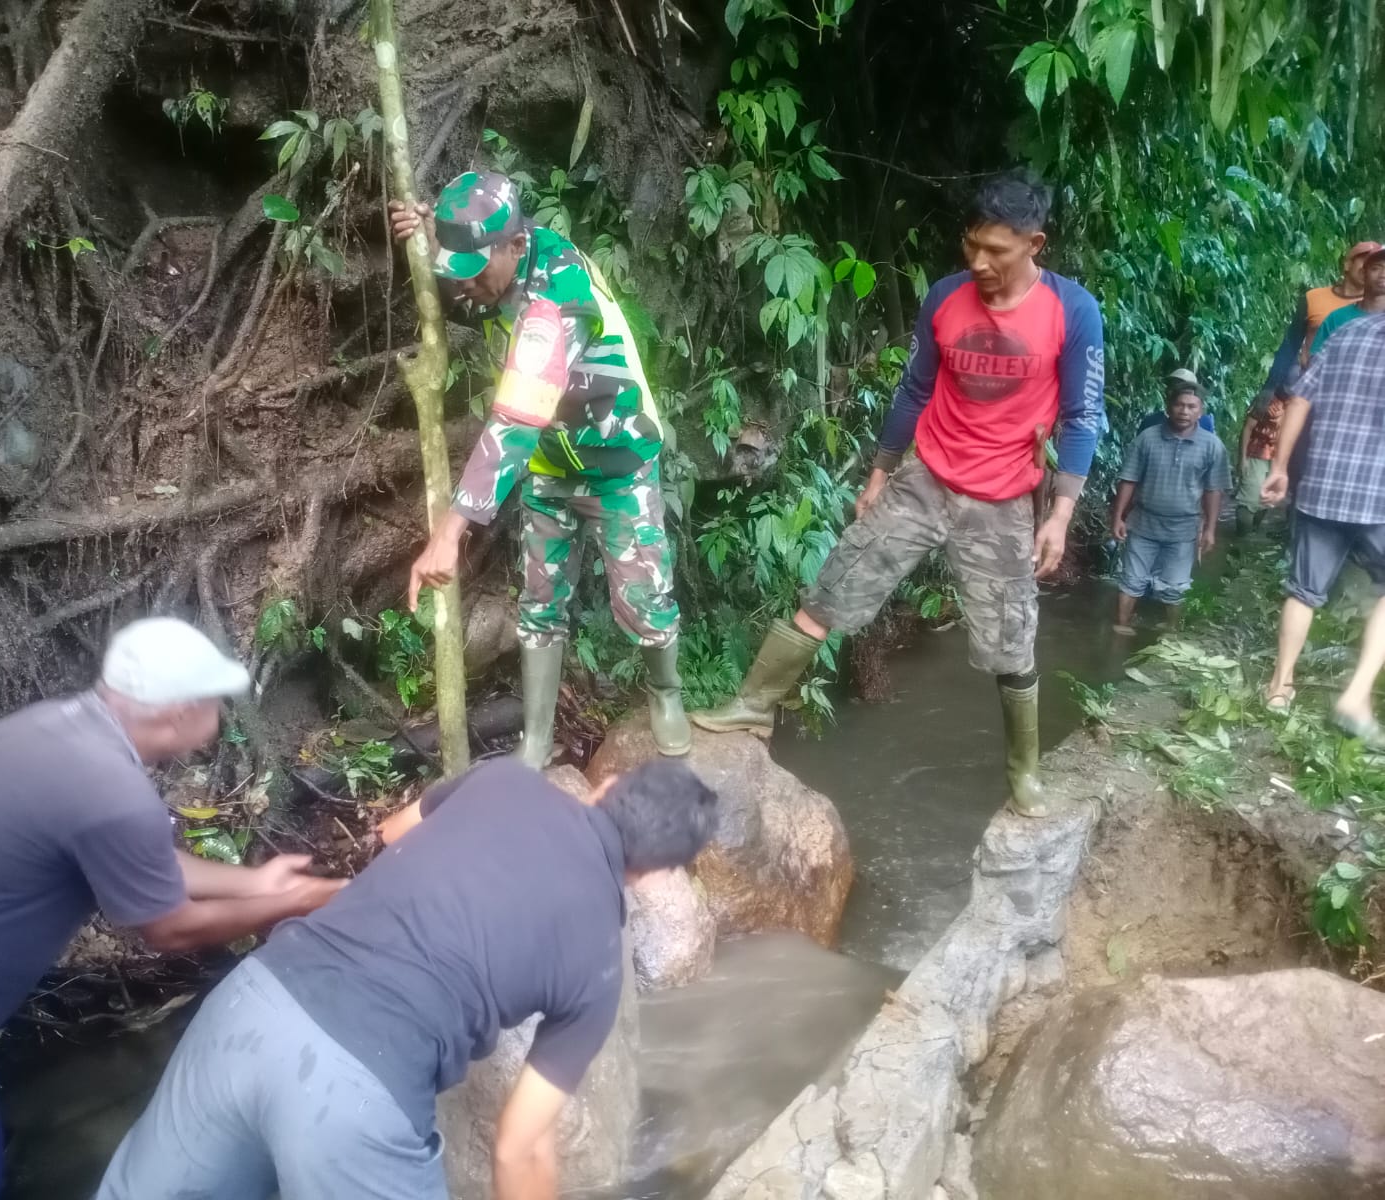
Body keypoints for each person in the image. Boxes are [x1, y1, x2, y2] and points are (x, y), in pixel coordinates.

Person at [0, 618, 345, 1200]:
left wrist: (255, 884)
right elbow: (168, 929)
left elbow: (146, 863)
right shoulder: (112, 793)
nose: (220, 719)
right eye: (214, 702)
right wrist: (295, 902)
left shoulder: (64, 731)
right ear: (179, 710)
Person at [94, 757, 717, 1200]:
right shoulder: (599, 961)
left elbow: (393, 832)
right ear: (653, 873)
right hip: (354, 1096)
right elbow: (519, 1148)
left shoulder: (503, 779)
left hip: (251, 1001)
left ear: (608, 785)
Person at [692, 171, 1105, 819]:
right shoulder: (945, 298)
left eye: (995, 251)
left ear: (1034, 244)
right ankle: (754, 703)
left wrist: (1058, 516)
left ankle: (1022, 772)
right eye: (971, 246)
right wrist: (880, 474)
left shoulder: (1071, 312)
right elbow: (913, 390)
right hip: (923, 480)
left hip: (1002, 501)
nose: (979, 262)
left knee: (1010, 639)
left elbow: (1082, 418)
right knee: (837, 582)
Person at [389, 172, 688, 767]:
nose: (467, 284)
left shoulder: (560, 293)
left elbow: (518, 417)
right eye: (459, 268)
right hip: (550, 467)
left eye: (478, 268)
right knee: (539, 602)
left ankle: (666, 691)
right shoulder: (494, 267)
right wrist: (428, 233)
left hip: (616, 463)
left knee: (643, 600)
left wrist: (450, 532)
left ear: (516, 246)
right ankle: (537, 737)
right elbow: (471, 268)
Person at [1261, 311, 1385, 742]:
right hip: (1378, 494)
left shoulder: (1349, 331)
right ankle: (1355, 696)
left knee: (1303, 590)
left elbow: (1299, 399)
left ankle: (1280, 688)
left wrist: (1280, 468)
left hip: (1324, 484)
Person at [1111, 384, 1230, 634]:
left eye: (1191, 407)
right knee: (1131, 579)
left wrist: (1210, 529)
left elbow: (1213, 490)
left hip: (1184, 528)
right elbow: (1129, 479)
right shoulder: (1147, 439)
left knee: (1176, 585)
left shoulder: (1212, 447)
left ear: (1200, 412)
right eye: (1179, 405)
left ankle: (1172, 630)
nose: (1184, 411)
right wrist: (1118, 517)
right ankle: (1121, 627)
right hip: (1143, 522)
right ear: (1168, 407)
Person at [1258, 240, 1382, 395]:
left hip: (1353, 391)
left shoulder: (1375, 311)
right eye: (1364, 260)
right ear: (1347, 264)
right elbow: (1290, 347)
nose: (1366, 267)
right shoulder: (1314, 298)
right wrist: (1267, 393)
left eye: (1374, 265)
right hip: (1306, 385)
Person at [1236, 368, 1292, 535]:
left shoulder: (1295, 404)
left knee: (1267, 499)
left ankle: (1253, 533)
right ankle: (1242, 538)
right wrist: (1242, 458)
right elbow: (1247, 428)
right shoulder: (1266, 398)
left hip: (1277, 455)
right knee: (1250, 498)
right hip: (1257, 452)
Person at [1308, 245, 1385, 360]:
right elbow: (1315, 365)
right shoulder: (1337, 317)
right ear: (1364, 273)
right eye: (1376, 268)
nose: (1383, 275)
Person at [1138, 368, 1217, 434]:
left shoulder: (1205, 422)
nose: (1175, 390)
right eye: (1172, 385)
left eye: (1183, 386)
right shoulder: (1150, 421)